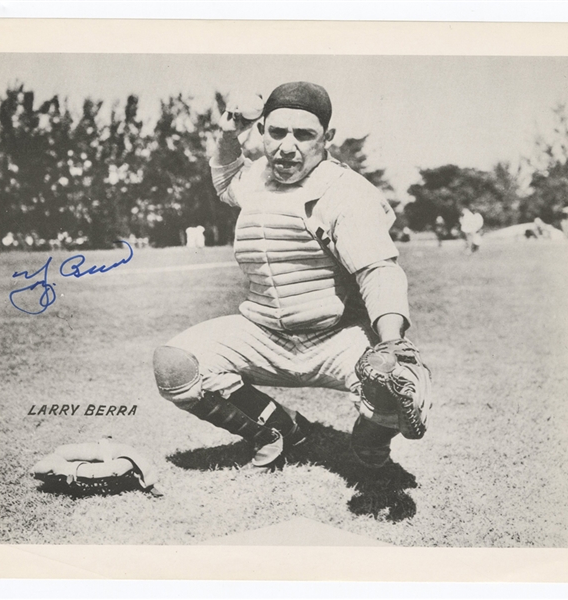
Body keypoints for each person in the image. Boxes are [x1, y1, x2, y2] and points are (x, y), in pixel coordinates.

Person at [153, 82, 428, 470]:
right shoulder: (255, 179)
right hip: (263, 333)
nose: (287, 146)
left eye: (303, 135)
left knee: (395, 382)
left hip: (334, 337)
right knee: (175, 364)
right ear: (262, 130)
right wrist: (230, 134)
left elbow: (378, 270)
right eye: (277, 132)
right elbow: (225, 177)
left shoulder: (346, 192)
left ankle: (370, 440)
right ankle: (276, 429)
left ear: (327, 138)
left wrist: (391, 342)